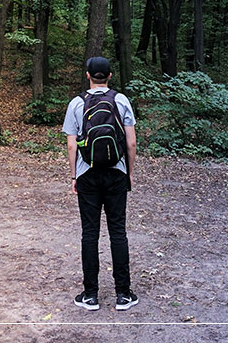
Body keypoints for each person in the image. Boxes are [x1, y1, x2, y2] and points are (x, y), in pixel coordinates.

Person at [62, 56, 138, 311]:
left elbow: (72, 144)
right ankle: (123, 295)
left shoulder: (76, 103)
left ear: (87, 75)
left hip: (88, 174)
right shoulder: (121, 100)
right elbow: (131, 143)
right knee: (118, 231)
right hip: (116, 172)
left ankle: (91, 295)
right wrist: (128, 172)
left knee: (89, 233)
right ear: (109, 75)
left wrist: (74, 176)